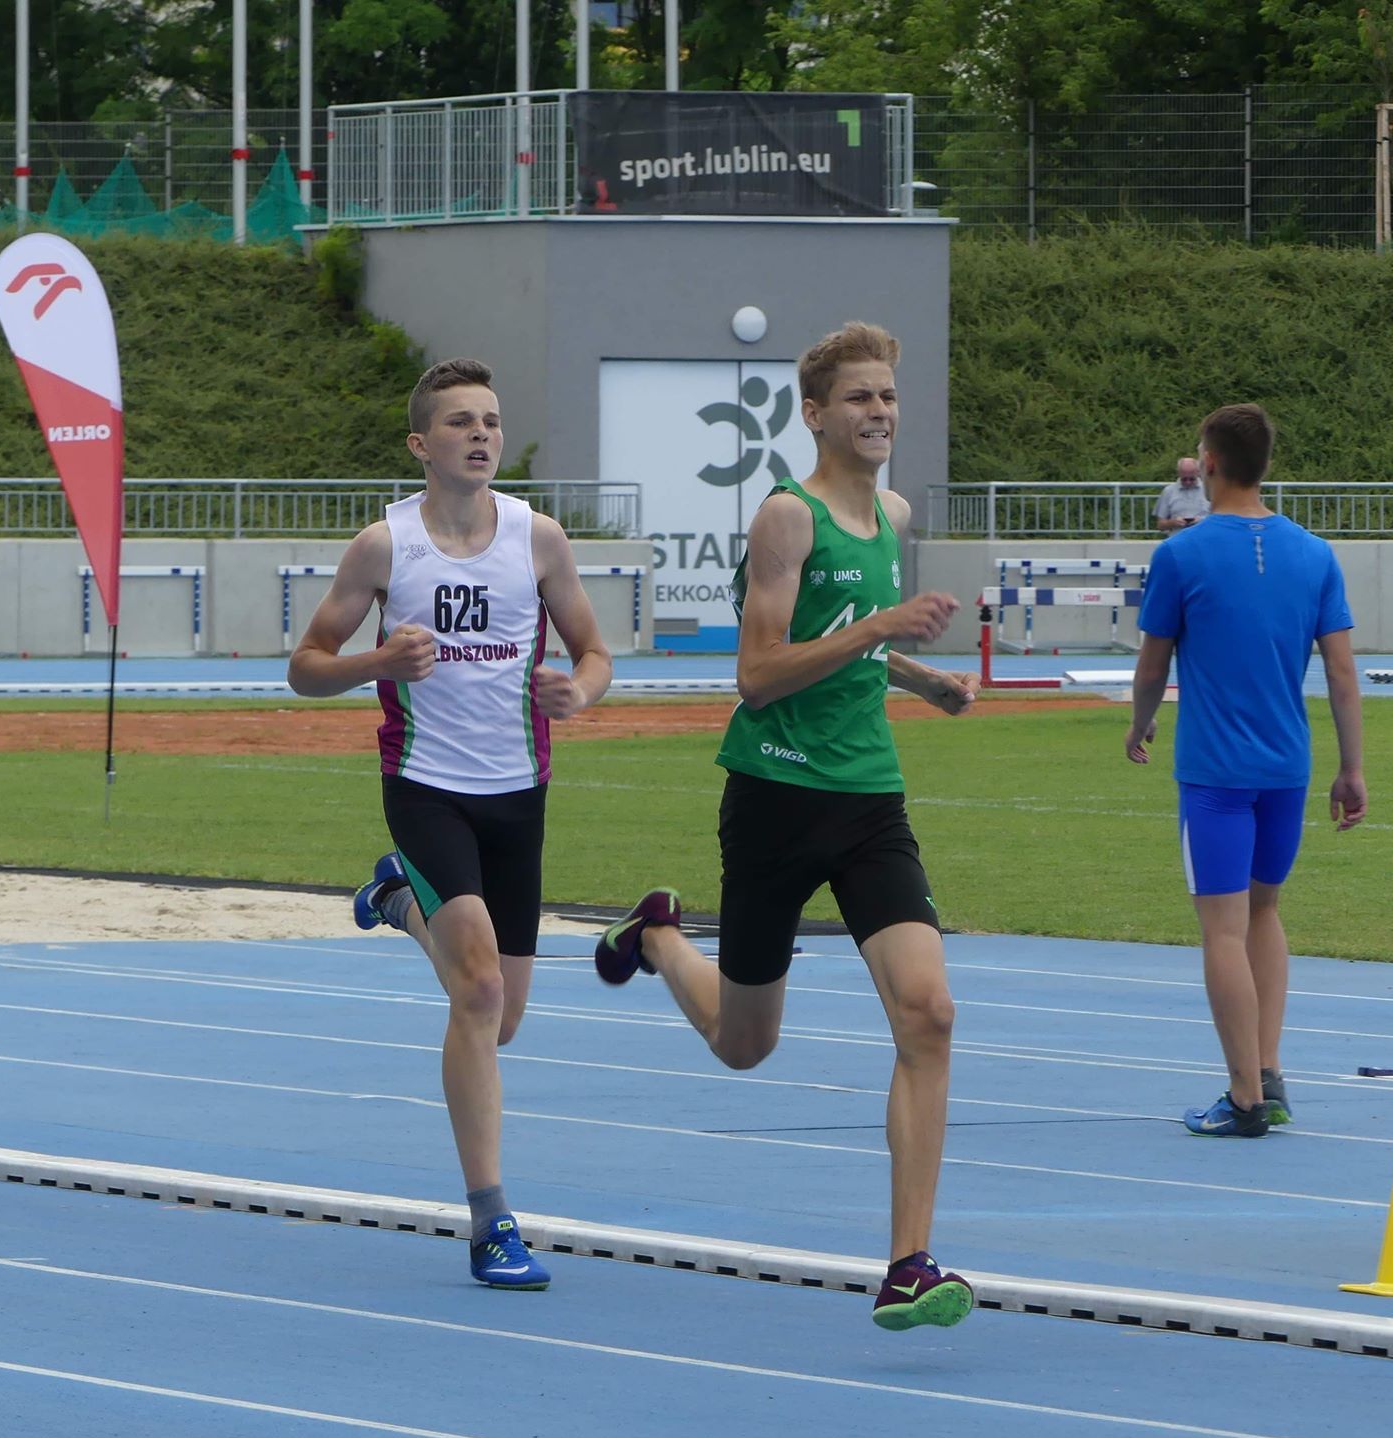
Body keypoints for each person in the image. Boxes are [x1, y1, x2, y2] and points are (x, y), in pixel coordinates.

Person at [595, 321, 983, 1331]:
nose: (879, 413)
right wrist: (879, 631)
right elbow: (758, 676)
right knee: (741, 1043)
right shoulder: (787, 517)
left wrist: (918, 677)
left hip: (866, 800)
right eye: (858, 399)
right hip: (772, 797)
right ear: (814, 414)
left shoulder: (887, 513)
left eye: (888, 398)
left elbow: (846, 648)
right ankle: (656, 934)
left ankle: (909, 1263)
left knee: (928, 1012)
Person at [287, 356, 613, 1291]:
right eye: (462, 422)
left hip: (519, 792)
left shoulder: (538, 539)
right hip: (425, 785)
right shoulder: (385, 547)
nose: (481, 435)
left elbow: (594, 651)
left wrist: (578, 692)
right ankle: (490, 1221)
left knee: (502, 1019)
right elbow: (306, 664)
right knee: (474, 993)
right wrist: (377, 662)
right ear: (421, 444)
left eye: (493, 421)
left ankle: (395, 899)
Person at [1126, 404, 1367, 1138]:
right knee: (1265, 913)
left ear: (1212, 462)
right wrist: (1351, 767)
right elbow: (1343, 670)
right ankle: (1267, 1071)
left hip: (1216, 774)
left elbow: (1152, 662)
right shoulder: (1315, 554)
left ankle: (1243, 1098)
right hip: (1286, 768)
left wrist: (1140, 725)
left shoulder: (1181, 556)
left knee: (1223, 931)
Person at [1152, 457, 1210, 533]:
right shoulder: (1168, 491)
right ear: (1178, 473)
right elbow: (1160, 525)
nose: (1188, 482)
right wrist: (1172, 523)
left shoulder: (1209, 490)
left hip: (1203, 539)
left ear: (1198, 472)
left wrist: (1203, 521)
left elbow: (1220, 519)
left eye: (1192, 479)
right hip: (1178, 539)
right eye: (1184, 479)